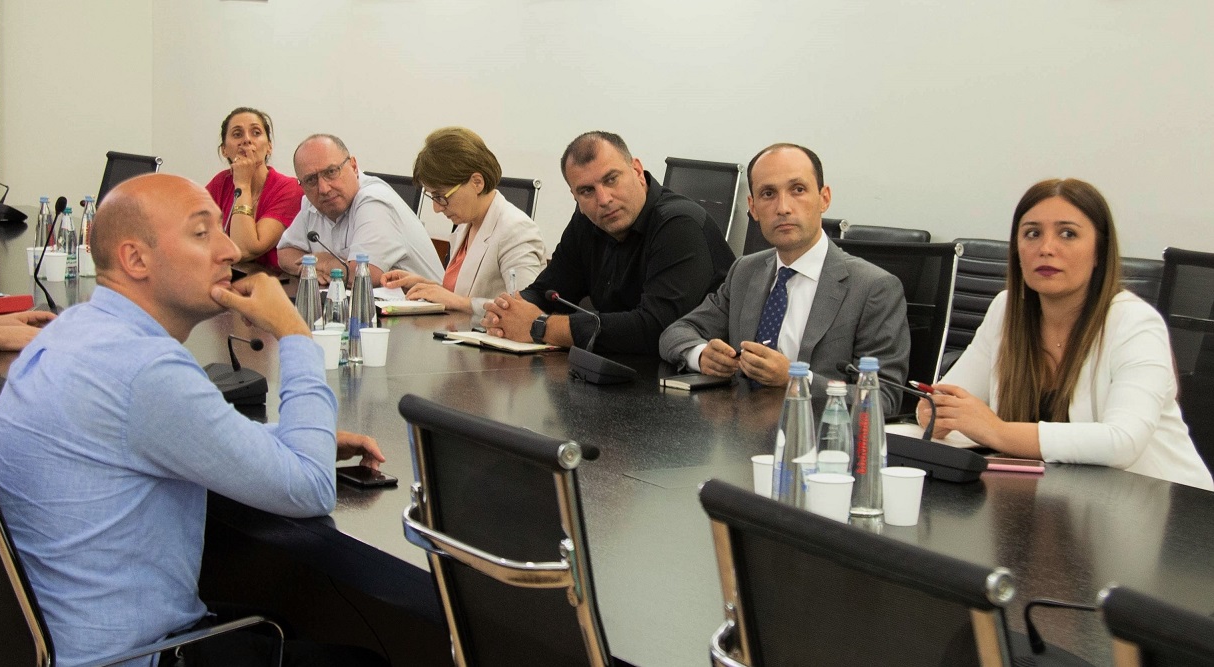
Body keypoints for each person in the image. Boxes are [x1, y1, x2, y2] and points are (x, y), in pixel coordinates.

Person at [0, 174, 389, 665]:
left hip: (61, 644)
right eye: (202, 233)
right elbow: (310, 487)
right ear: (136, 259)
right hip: (135, 655)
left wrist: (284, 439)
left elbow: (143, 432)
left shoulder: (76, 329)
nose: (230, 250)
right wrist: (294, 332)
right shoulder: (146, 370)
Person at [920, 178, 1213, 490]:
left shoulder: (1135, 322)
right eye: (1032, 233)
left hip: (1166, 506)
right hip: (1056, 497)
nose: (1046, 249)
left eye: (1068, 234)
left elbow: (1122, 442)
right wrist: (935, 411)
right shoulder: (1006, 309)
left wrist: (996, 430)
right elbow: (944, 398)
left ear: (1100, 251)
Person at [659, 143, 910, 411]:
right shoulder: (745, 271)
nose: (783, 208)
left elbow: (884, 398)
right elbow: (675, 333)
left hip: (817, 432)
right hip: (740, 426)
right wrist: (701, 355)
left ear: (824, 198)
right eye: (768, 194)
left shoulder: (874, 288)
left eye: (798, 190)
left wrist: (795, 379)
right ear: (753, 208)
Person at [482, 131, 734, 355]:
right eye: (587, 191)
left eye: (611, 179)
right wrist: (507, 312)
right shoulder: (587, 221)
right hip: (614, 370)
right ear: (575, 196)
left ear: (637, 171)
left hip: (691, 378)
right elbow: (547, 291)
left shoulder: (680, 224)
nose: (603, 199)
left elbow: (656, 329)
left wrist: (541, 326)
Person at [381, 127, 545, 318]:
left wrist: (457, 302)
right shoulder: (466, 225)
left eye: (441, 197)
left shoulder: (516, 230)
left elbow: (525, 311)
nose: (436, 208)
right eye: (433, 197)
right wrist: (425, 286)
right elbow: (466, 295)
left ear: (477, 182)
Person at [277, 134, 444, 287]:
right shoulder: (312, 203)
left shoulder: (374, 199)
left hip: (427, 308)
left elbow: (365, 275)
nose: (323, 188)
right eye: (310, 180)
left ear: (354, 166)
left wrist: (325, 262)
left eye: (331, 172)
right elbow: (285, 253)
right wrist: (309, 269)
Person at [205, 106, 305, 271]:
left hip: (274, 282)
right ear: (224, 150)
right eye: (237, 134)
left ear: (269, 146)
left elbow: (245, 250)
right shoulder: (220, 182)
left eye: (256, 133)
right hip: (228, 277)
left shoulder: (290, 189)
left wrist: (243, 184)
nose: (246, 140)